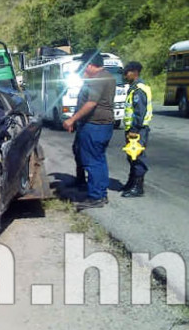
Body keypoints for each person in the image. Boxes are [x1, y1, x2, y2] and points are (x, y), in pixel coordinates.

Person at [63, 50, 116, 210]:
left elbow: (91, 103)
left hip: (95, 126)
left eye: (85, 65)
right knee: (97, 159)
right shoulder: (105, 76)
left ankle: (97, 196)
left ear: (92, 65)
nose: (83, 69)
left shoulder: (98, 79)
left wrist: (72, 119)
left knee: (93, 161)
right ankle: (99, 192)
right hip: (99, 125)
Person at [121, 61, 152, 197]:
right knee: (131, 157)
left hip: (138, 130)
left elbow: (139, 112)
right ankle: (132, 182)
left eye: (127, 73)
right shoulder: (133, 88)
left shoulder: (139, 89)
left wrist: (134, 129)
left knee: (137, 157)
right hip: (132, 129)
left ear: (134, 72)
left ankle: (138, 187)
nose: (125, 76)